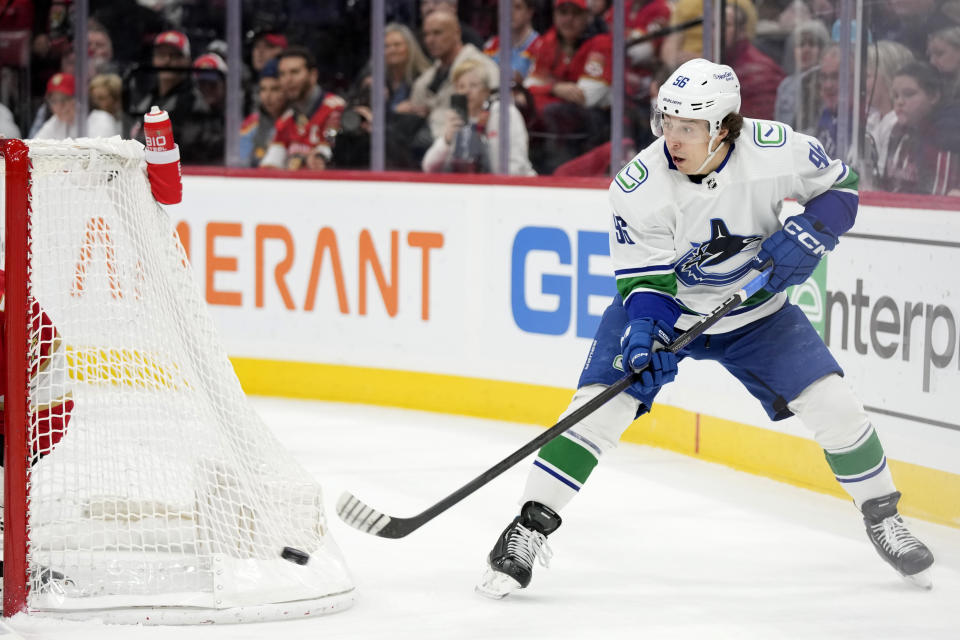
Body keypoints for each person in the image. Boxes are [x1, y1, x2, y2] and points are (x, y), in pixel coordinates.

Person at [477, 58, 935, 600]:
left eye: (688, 127)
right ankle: (528, 527)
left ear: (723, 127)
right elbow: (645, 284)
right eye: (666, 121)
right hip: (668, 310)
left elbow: (843, 187)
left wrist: (814, 231)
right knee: (597, 407)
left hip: (758, 313)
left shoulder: (775, 148)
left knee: (834, 404)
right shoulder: (639, 185)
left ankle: (883, 517)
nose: (672, 136)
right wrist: (646, 334)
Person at [421, 59, 535, 174]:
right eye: (461, 86)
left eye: (473, 85)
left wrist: (496, 188)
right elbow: (429, 167)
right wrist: (447, 140)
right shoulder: (455, 120)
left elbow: (516, 165)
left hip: (512, 187)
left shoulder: (505, 113)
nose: (466, 91)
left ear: (486, 91)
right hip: (471, 188)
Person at [411, 9, 501, 139]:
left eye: (437, 33)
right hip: (430, 142)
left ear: (457, 33)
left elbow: (496, 109)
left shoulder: (483, 66)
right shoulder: (427, 77)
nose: (430, 40)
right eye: (426, 35)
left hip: (467, 142)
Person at [260, 46, 346, 171]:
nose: (288, 80)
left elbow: (328, 149)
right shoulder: (286, 118)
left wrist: (319, 157)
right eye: (282, 74)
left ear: (313, 75)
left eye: (294, 72)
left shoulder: (335, 109)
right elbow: (271, 164)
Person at [883, 61, 960, 195]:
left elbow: (938, 198)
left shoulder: (946, 134)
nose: (899, 102)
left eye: (909, 94)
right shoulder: (896, 130)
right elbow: (890, 183)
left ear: (934, 96)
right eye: (895, 96)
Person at [774, 20, 830, 131]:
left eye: (812, 44)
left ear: (822, 50)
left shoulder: (826, 81)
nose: (806, 49)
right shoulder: (785, 85)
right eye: (801, 44)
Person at [34, 73, 120, 139]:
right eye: (54, 101)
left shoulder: (103, 120)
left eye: (65, 99)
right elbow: (34, 147)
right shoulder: (56, 121)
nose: (60, 106)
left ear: (79, 99)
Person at [239, 59, 287, 167]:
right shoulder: (250, 124)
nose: (267, 96)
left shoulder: (296, 121)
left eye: (275, 89)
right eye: (263, 89)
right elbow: (241, 164)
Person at [482, 0, 543, 81]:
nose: (510, 12)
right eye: (506, 7)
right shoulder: (491, 45)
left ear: (529, 12)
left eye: (517, 7)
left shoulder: (541, 47)